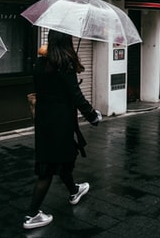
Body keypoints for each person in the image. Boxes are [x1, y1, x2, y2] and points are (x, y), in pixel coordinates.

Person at [23, 30, 102, 230]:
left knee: (62, 157)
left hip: (44, 120)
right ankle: (31, 215)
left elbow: (48, 89)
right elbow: (75, 95)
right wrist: (92, 115)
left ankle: (74, 190)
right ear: (66, 41)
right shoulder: (64, 65)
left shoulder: (40, 63)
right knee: (48, 168)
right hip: (61, 122)